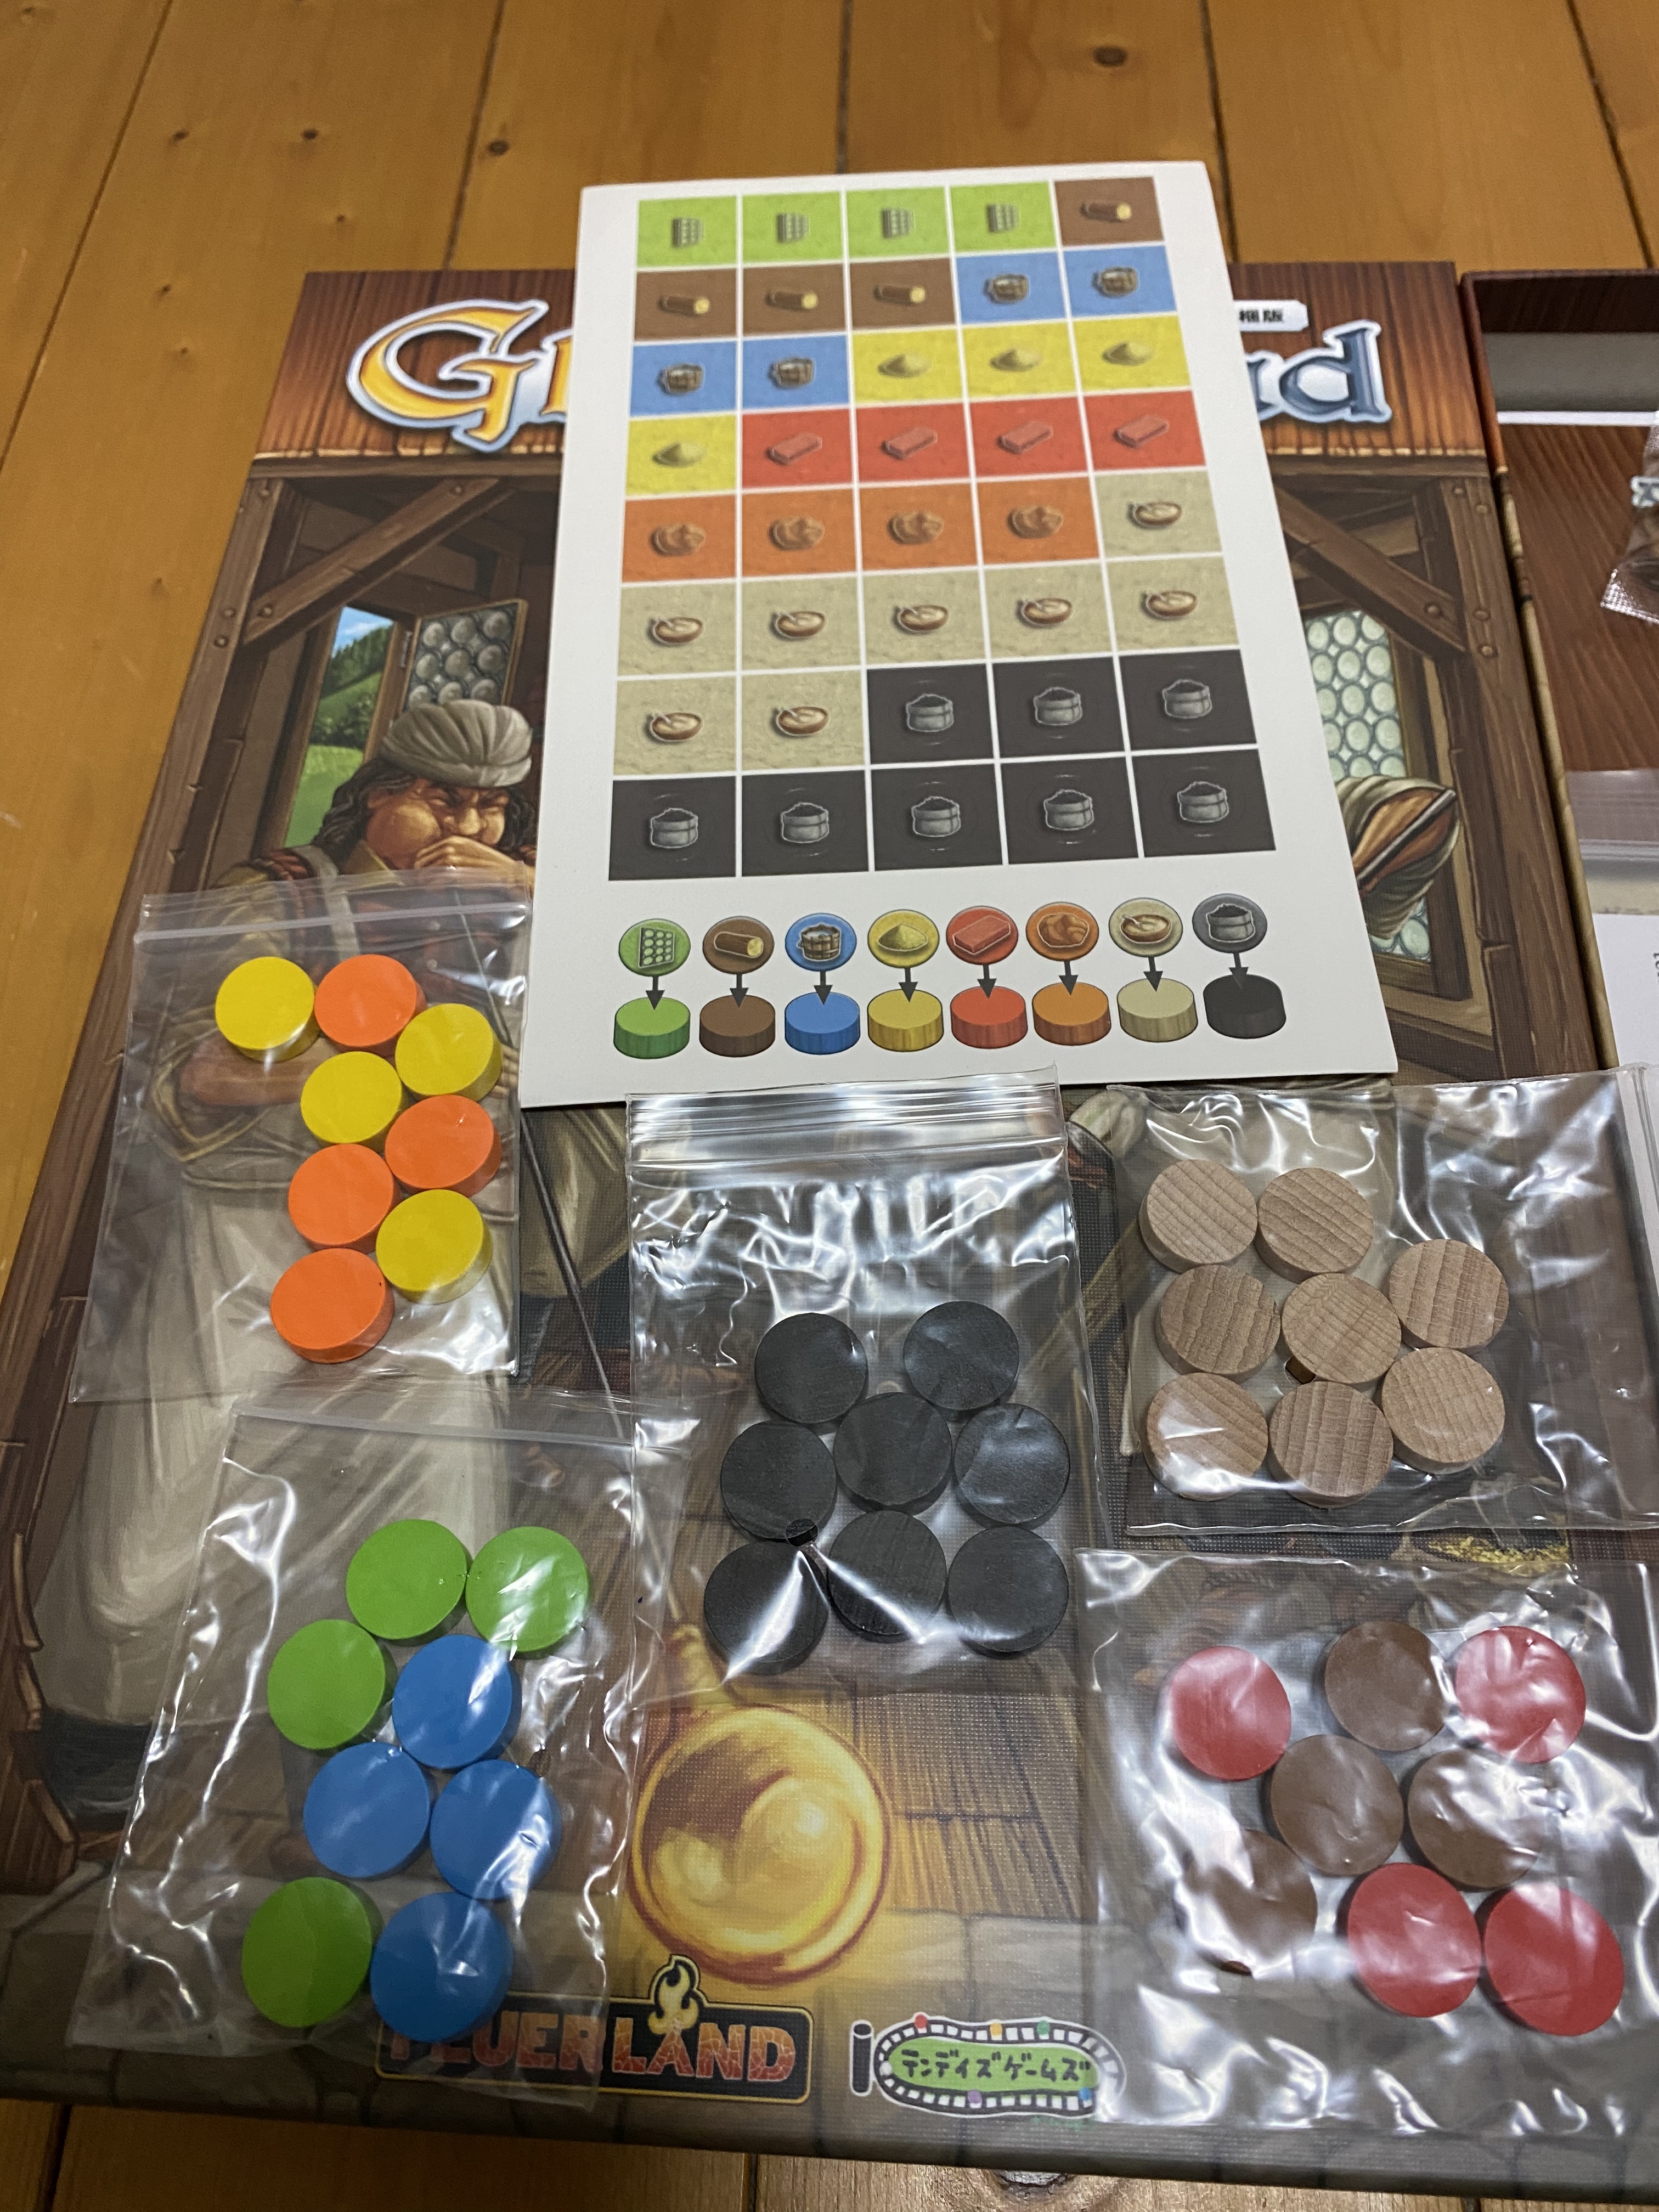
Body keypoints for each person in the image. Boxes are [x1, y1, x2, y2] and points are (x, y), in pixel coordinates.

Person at [224, 697, 537, 888]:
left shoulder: (522, 873)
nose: (468, 828)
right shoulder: (283, 887)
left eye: (491, 806)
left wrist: (516, 879)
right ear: (379, 794)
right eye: (443, 801)